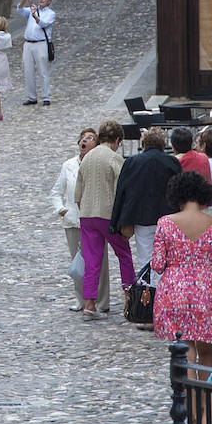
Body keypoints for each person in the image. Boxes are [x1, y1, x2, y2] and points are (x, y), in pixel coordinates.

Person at [151, 172, 212, 373]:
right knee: (207, 353)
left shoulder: (165, 224)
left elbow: (158, 264)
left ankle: (187, 400)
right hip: (207, 292)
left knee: (184, 350)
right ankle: (207, 401)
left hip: (174, 291)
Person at [73, 120, 133, 320]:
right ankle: (131, 300)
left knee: (92, 261)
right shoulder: (115, 159)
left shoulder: (87, 158)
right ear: (117, 140)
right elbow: (122, 191)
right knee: (124, 255)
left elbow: (78, 192)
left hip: (87, 215)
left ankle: (89, 304)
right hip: (107, 215)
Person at [110, 127, 181, 290]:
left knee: (145, 260)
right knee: (168, 259)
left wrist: (117, 222)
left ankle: (149, 297)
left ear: (144, 143)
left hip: (142, 218)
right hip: (168, 218)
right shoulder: (171, 162)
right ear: (163, 143)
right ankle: (166, 294)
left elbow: (121, 191)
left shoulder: (132, 162)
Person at [49, 127, 109, 312]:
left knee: (100, 261)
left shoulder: (101, 165)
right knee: (78, 262)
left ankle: (102, 300)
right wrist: (61, 209)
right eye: (82, 138)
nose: (84, 141)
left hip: (95, 218)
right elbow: (56, 191)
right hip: (73, 220)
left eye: (90, 138)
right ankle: (82, 299)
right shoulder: (68, 165)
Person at [16, 0, 55, 106]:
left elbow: (43, 24)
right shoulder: (31, 9)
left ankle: (46, 96)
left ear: (49, 2)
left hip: (41, 44)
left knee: (43, 71)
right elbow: (19, 9)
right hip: (28, 43)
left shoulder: (50, 13)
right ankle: (32, 97)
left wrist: (35, 16)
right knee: (28, 71)